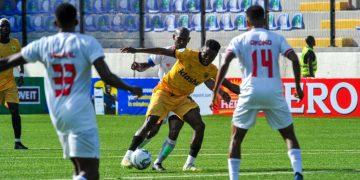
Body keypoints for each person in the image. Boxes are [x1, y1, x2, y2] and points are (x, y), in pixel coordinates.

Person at [0, 3, 142, 180]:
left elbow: (6, 63)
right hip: (79, 111)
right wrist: (130, 88)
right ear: (76, 21)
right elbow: (107, 76)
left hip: (58, 115)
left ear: (55, 23)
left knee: (79, 170)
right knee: (90, 172)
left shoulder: (44, 44)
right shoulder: (87, 43)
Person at [211, 5, 304, 180]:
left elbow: (224, 64)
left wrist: (215, 90)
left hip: (249, 92)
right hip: (273, 91)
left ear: (247, 21)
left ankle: (234, 178)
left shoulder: (239, 40)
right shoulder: (276, 38)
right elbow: (294, 58)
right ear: (265, 19)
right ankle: (298, 172)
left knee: (236, 137)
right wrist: (298, 87)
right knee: (289, 134)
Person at [120, 39, 240, 171]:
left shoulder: (211, 69)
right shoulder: (187, 54)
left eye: (211, 57)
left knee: (199, 126)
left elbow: (230, 85)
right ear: (202, 50)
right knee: (150, 123)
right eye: (206, 54)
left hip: (182, 98)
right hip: (164, 92)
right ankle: (127, 156)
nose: (207, 58)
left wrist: (250, 92)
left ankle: (188, 164)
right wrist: (136, 50)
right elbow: (161, 51)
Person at [0, 18, 28, 150]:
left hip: (9, 83)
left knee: (15, 110)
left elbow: (19, 60)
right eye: (3, 26)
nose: (5, 28)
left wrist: (21, 74)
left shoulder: (15, 43)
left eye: (7, 26)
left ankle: (18, 142)